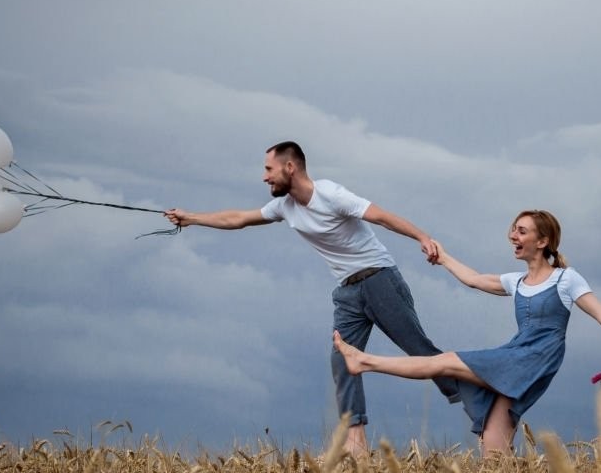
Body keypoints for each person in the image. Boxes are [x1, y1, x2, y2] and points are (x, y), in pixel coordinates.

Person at [164, 141, 459, 456]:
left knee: (420, 352)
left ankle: (480, 402)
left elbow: (381, 216)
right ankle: (355, 440)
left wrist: (423, 238)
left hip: (379, 279)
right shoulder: (284, 207)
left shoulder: (330, 194)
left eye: (268, 169)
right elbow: (238, 218)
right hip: (347, 291)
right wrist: (191, 218)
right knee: (342, 359)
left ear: (289, 167)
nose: (264, 177)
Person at [333, 209, 601, 456]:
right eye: (514, 230)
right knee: (493, 451)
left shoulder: (567, 279)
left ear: (543, 240)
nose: (513, 236)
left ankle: (365, 362)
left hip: (534, 358)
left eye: (522, 231)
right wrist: (443, 256)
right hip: (517, 356)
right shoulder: (518, 281)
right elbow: (475, 279)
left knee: (446, 362)